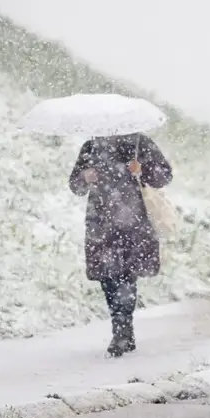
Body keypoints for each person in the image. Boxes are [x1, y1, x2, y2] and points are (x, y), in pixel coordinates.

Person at [68, 132, 173, 357]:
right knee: (107, 278)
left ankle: (122, 331)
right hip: (101, 225)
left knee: (126, 276)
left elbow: (164, 175)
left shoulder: (139, 143)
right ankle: (123, 329)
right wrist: (85, 177)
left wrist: (142, 170)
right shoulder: (91, 146)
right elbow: (75, 186)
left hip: (133, 223)